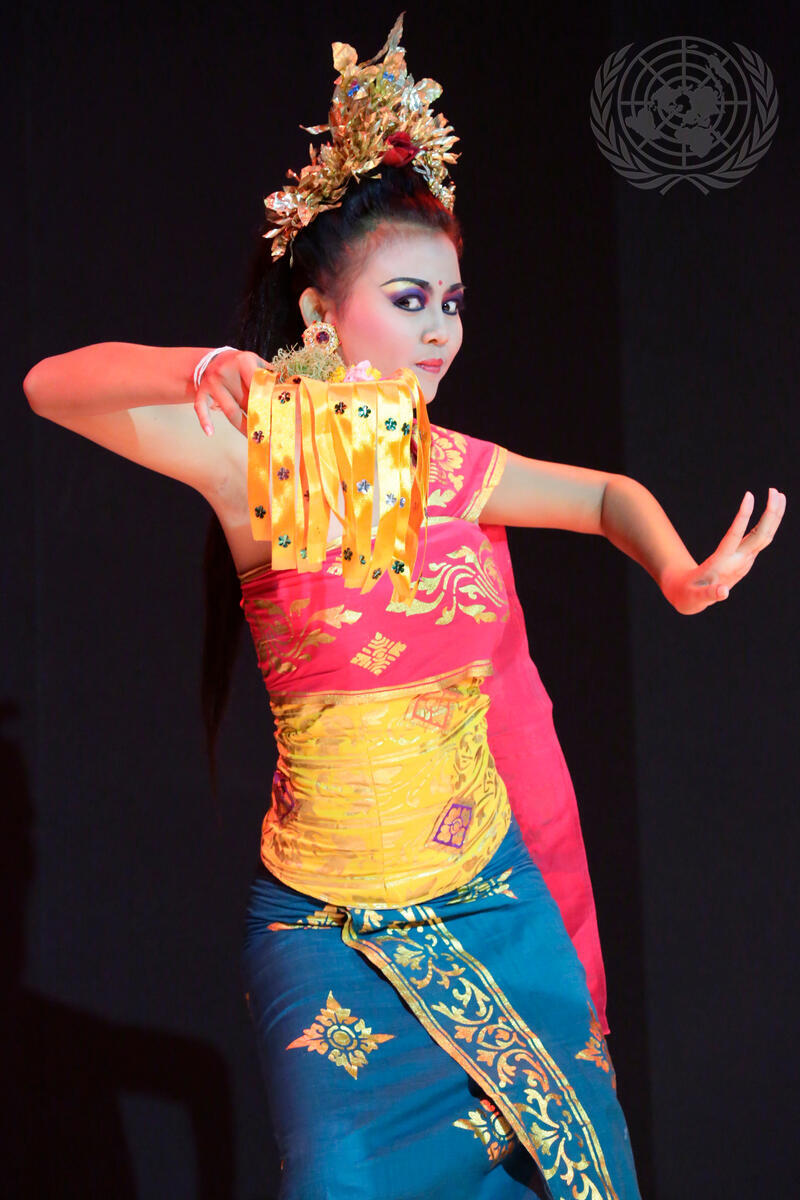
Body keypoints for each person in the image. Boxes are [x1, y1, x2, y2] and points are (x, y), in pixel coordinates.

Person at [23, 16, 785, 1200]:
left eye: (452, 303)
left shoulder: (458, 469)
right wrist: (195, 368)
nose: (439, 330)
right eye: (409, 298)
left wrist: (675, 570)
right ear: (321, 315)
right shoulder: (253, 453)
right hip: (326, 936)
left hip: (490, 902)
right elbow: (48, 386)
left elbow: (600, 496)